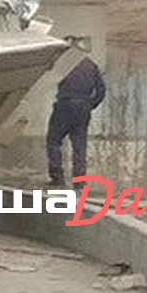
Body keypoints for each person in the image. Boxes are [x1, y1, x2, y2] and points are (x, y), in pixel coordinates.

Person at [46, 35, 106, 188]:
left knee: (53, 140)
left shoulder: (63, 65)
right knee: (79, 145)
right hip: (83, 108)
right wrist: (90, 104)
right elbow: (101, 90)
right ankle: (79, 181)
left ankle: (57, 178)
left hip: (64, 106)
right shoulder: (91, 65)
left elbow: (48, 80)